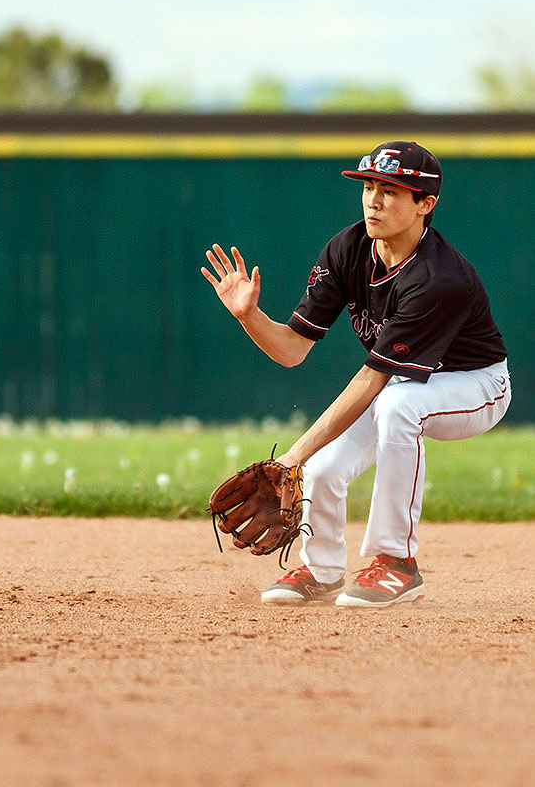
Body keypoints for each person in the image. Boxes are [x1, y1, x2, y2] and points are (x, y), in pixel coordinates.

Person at [201, 141, 510, 608]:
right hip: (401, 385)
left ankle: (396, 563)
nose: (374, 199)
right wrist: (250, 316)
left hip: (477, 385)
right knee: (326, 464)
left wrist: (289, 459)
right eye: (368, 186)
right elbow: (291, 350)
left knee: (397, 406)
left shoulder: (436, 278)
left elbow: (371, 381)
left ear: (426, 204)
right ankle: (322, 570)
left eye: (392, 190)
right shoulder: (348, 249)